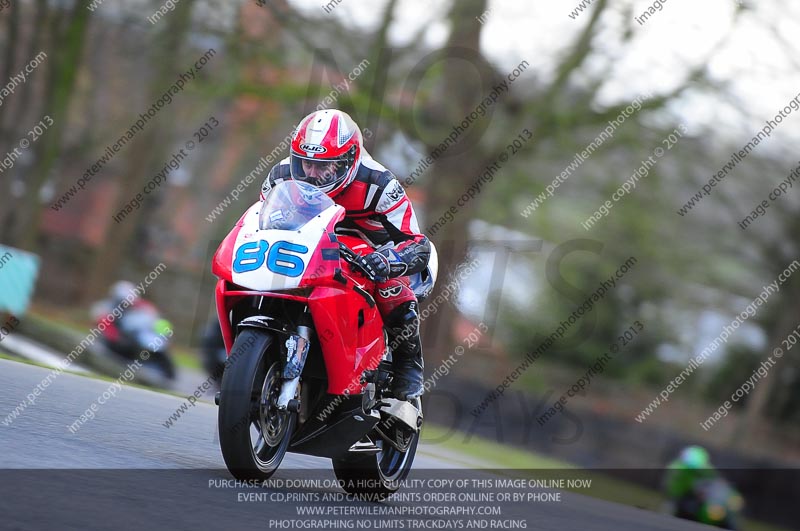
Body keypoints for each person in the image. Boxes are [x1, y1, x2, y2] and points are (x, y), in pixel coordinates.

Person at [259, 109, 431, 401]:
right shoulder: (280, 174)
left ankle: (408, 365)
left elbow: (417, 242)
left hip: (369, 251)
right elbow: (259, 219)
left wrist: (388, 261)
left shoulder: (379, 183)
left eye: (325, 167)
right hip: (309, 246)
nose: (312, 174)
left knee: (392, 289)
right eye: (306, 164)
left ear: (349, 160)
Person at [664, 445, 718, 519]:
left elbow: (713, 479)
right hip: (679, 497)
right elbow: (673, 486)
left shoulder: (706, 469)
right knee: (670, 511)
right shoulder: (678, 467)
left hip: (698, 498)